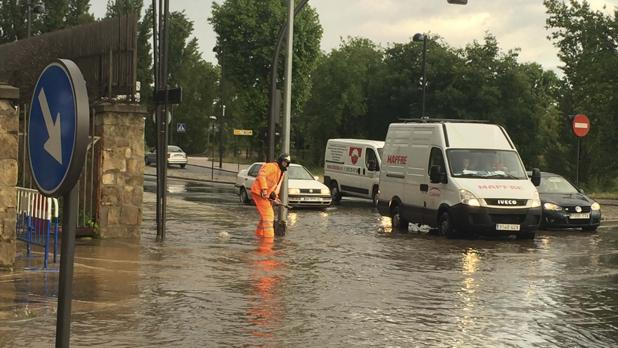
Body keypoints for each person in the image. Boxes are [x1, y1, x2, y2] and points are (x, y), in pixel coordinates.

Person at [250, 153, 291, 238]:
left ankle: (259, 236)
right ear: (280, 161)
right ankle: (268, 241)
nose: (285, 165)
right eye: (284, 162)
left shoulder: (281, 173)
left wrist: (275, 197)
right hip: (259, 193)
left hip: (264, 195)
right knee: (269, 216)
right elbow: (261, 175)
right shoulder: (271, 166)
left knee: (264, 217)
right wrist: (264, 189)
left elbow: (275, 187)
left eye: (287, 163)